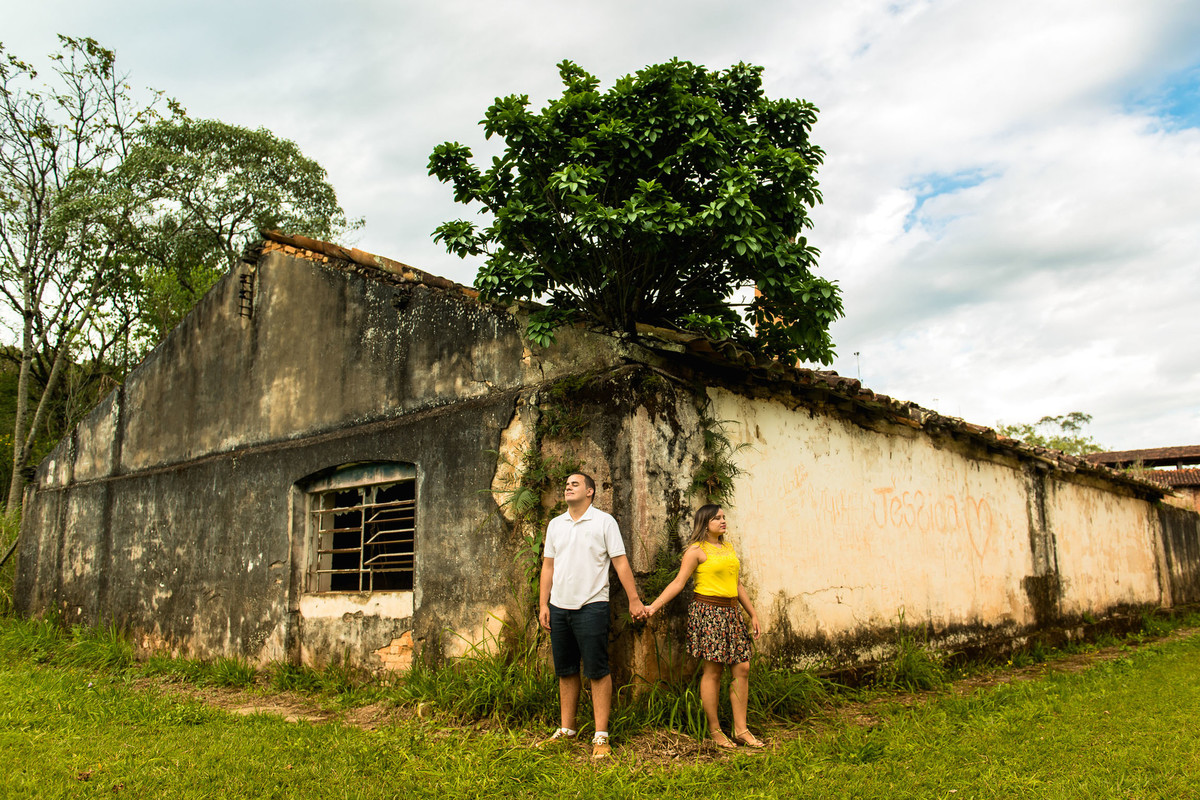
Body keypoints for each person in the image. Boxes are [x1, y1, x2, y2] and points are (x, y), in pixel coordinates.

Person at [537, 472, 647, 759]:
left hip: (592, 605)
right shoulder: (555, 525)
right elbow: (547, 567)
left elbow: (620, 563)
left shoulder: (604, 522)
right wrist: (543, 604)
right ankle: (567, 730)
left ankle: (601, 736)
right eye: (566, 484)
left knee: (597, 670)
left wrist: (634, 600)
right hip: (559, 607)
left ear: (590, 492)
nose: (568, 487)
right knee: (566, 670)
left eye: (574, 484)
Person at [646, 503, 764, 749]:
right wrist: (653, 607)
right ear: (704, 523)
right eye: (716, 518)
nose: (723, 521)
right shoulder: (696, 551)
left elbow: (737, 584)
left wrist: (751, 613)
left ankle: (741, 729)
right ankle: (715, 730)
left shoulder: (728, 547)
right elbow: (679, 583)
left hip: (732, 612)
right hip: (709, 612)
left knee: (742, 667)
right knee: (714, 670)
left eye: (723, 517)